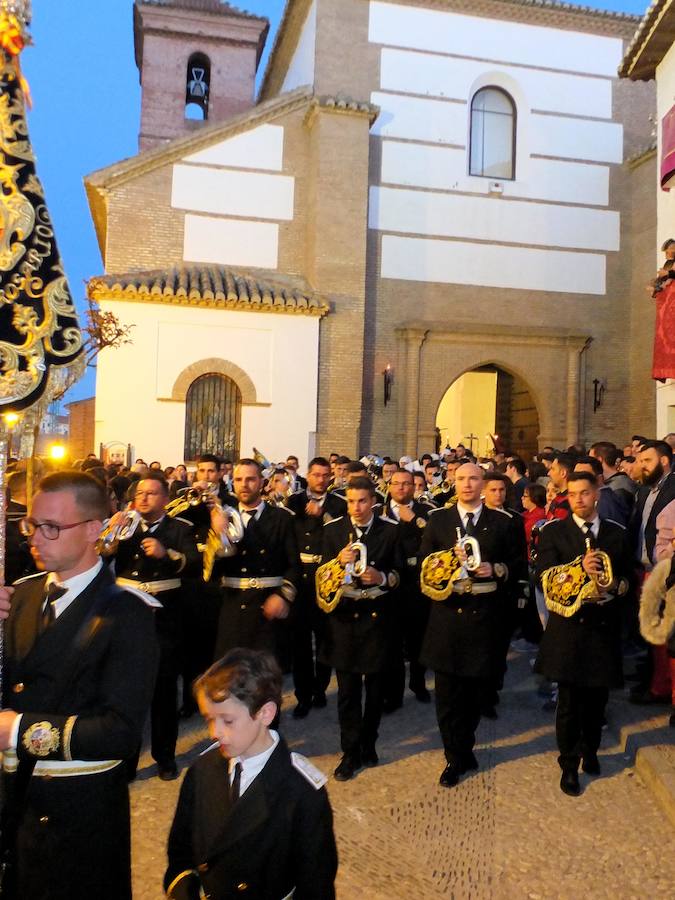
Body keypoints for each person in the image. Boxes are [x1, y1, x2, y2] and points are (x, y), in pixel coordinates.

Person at [0, 471, 158, 899]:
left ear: (93, 530)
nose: (36, 537)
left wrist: (15, 731)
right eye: (32, 525)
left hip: (78, 812)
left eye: (52, 527)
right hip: (14, 805)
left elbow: (120, 732)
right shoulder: (20, 597)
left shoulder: (127, 613)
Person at [165, 648, 337, 900]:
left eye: (227, 720)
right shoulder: (202, 771)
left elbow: (316, 885)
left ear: (265, 713)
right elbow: (180, 852)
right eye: (209, 719)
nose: (214, 732)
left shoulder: (302, 792)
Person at [419, 463, 519, 787]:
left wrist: (498, 569)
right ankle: (454, 757)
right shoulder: (438, 520)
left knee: (475, 695)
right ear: (453, 481)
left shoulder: (504, 522)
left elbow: (518, 565)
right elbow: (425, 564)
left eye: (473, 478)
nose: (467, 484)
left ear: (483, 483)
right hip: (447, 617)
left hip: (484, 618)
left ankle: (465, 744)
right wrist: (445, 565)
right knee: (447, 696)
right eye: (461, 478)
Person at [535, 472, 631, 796]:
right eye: (573, 494)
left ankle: (591, 750)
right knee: (569, 702)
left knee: (596, 700)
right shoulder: (554, 532)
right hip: (568, 629)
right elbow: (542, 577)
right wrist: (578, 569)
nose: (578, 499)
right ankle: (568, 764)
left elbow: (628, 577)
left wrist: (615, 585)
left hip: (602, 627)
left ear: (596, 495)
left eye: (584, 493)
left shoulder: (617, 533)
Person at [103, 473, 200, 780]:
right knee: (127, 692)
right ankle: (127, 759)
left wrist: (166, 554)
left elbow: (194, 564)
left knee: (164, 692)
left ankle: (165, 757)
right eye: (139, 493)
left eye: (151, 493)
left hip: (165, 618)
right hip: (128, 615)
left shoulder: (180, 528)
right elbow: (100, 555)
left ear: (165, 499)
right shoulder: (124, 526)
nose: (143, 498)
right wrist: (110, 534)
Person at [317, 476, 401, 781]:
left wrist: (381, 577)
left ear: (373, 502)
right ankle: (349, 752)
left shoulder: (390, 530)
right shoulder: (333, 530)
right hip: (344, 620)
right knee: (347, 693)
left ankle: (369, 742)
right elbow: (320, 576)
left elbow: (402, 572)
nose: (356, 507)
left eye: (362, 501)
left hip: (377, 619)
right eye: (351, 501)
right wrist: (338, 564)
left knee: (376, 691)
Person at [212, 459, 299, 664]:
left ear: (262, 482)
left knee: (266, 680)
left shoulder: (282, 518)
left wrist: (283, 596)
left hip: (267, 606)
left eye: (251, 479)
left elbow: (294, 565)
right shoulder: (224, 517)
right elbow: (211, 572)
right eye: (239, 479)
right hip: (234, 608)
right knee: (231, 678)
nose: (244, 484)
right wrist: (218, 538)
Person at [286, 457, 347, 717]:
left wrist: (325, 516)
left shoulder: (338, 503)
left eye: (325, 475)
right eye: (316, 475)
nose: (321, 479)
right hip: (300, 575)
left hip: (326, 576)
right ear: (308, 475)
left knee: (325, 637)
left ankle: (320, 688)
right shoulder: (293, 501)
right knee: (299, 641)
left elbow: (344, 532)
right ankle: (303, 695)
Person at [381, 467, 432, 711]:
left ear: (414, 487)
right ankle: (393, 694)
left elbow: (435, 537)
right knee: (392, 642)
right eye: (396, 483)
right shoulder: (377, 512)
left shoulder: (426, 512)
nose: (401, 487)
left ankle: (418, 683)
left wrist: (414, 519)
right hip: (390, 584)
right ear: (389, 487)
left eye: (406, 483)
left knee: (418, 639)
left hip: (417, 584)